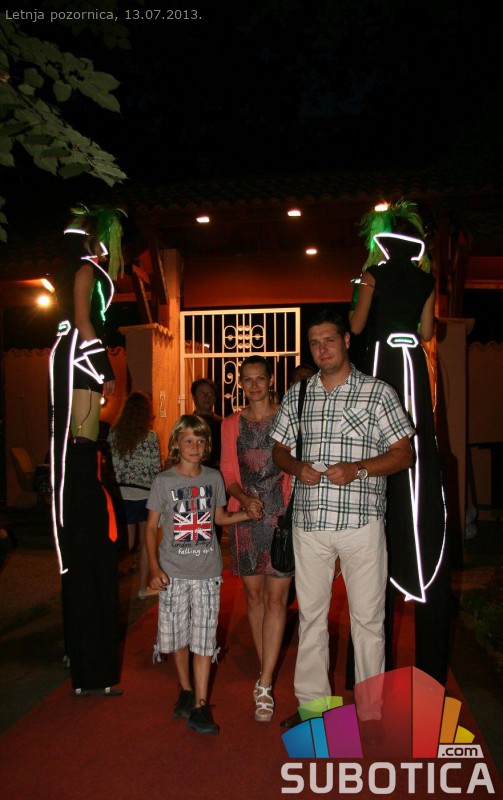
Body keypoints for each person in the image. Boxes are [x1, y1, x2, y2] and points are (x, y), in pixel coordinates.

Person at [270, 308, 414, 727]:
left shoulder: (377, 392)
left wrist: (359, 469)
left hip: (361, 523)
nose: (322, 349)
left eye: (329, 340)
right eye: (315, 343)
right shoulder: (299, 394)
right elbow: (279, 449)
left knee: (368, 620)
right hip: (310, 524)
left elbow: (404, 453)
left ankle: (371, 713)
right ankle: (315, 708)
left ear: (346, 341)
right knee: (312, 618)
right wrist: (296, 467)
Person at [348, 200, 449, 685]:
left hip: (384, 364)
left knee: (381, 435)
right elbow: (427, 332)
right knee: (415, 435)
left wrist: (361, 293)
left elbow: (356, 326)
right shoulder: (426, 281)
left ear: (385, 244)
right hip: (412, 365)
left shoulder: (373, 274)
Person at [49, 203, 125, 697]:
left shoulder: (86, 271)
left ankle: (86, 658)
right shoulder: (84, 271)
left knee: (84, 443)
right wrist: (104, 368)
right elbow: (83, 322)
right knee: (82, 444)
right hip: (79, 365)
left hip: (78, 366)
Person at [145, 415, 252, 735]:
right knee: (178, 637)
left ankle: (200, 707)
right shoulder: (163, 481)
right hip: (172, 572)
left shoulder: (213, 478)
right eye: (188, 440)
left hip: (207, 572)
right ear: (176, 444)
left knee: (204, 640)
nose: (195, 446)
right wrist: (154, 567)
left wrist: (247, 514)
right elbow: (151, 528)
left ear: (207, 446)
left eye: (201, 441)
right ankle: (186, 690)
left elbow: (219, 518)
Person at [220, 355, 293, 723]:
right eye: (247, 380)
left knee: (277, 599)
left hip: (281, 518)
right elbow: (228, 472)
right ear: (241, 384)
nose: (254, 386)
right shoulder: (231, 424)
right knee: (254, 596)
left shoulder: (288, 418)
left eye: (259, 378)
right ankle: (267, 670)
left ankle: (264, 683)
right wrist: (244, 498)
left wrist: (287, 508)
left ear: (270, 380)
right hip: (246, 517)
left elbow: (294, 467)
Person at [108, 391, 161, 599]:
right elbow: (155, 469)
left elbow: (112, 465)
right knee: (147, 543)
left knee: (127, 543)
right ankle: (142, 588)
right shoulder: (150, 437)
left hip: (122, 495)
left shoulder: (114, 434)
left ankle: (108, 582)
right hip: (145, 496)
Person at [190, 378, 222, 468]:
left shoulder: (222, 424)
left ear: (215, 398)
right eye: (202, 393)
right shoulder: (186, 424)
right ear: (194, 397)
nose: (207, 397)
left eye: (210, 393)